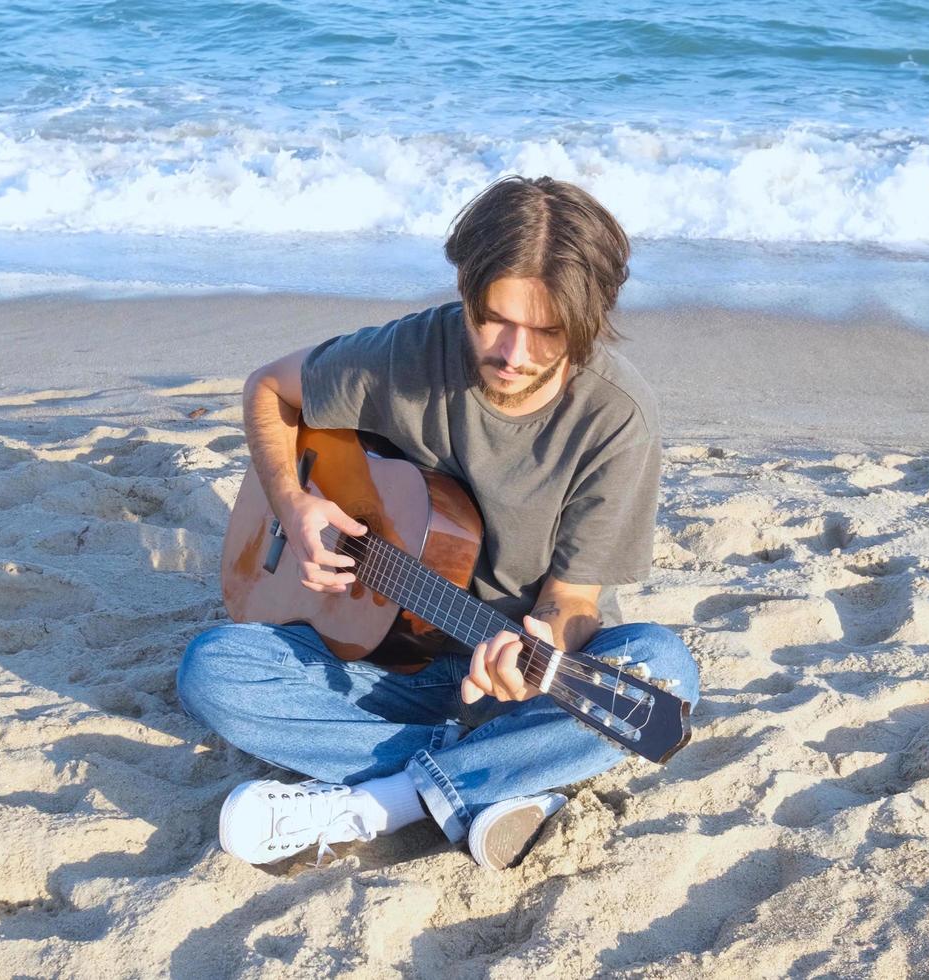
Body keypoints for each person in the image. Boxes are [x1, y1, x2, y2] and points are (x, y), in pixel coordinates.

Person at [177, 175, 699, 870]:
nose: (513, 354)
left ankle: (386, 800)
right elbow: (268, 390)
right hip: (378, 665)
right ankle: (488, 783)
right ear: (462, 289)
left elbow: (571, 602)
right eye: (493, 319)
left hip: (512, 684)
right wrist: (293, 505)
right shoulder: (405, 356)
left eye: (546, 332)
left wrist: (535, 657)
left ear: (590, 317)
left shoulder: (614, 419)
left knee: (660, 676)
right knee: (213, 668)